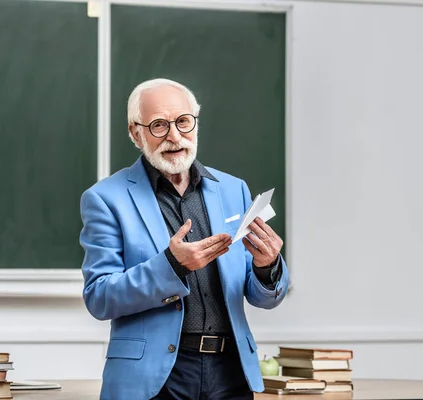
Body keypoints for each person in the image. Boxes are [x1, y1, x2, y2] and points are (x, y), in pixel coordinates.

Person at [80, 78, 289, 400]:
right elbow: (100, 297)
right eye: (159, 126)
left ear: (196, 123)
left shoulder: (234, 189)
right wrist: (172, 266)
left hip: (231, 372)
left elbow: (265, 297)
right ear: (136, 133)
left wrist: (268, 265)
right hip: (155, 378)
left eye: (183, 122)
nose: (174, 136)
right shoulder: (106, 198)